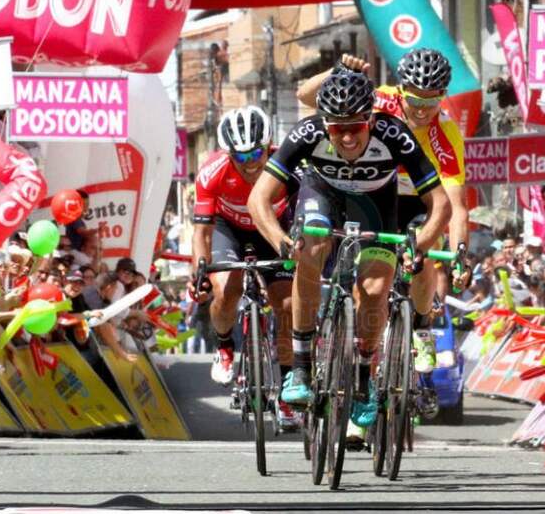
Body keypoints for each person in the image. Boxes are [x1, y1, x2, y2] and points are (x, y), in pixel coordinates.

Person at [249, 68, 451, 442]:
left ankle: (361, 377)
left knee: (374, 291)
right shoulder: (307, 133)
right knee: (310, 249)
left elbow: (440, 204)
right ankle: (303, 367)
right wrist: (279, 240)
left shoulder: (395, 134)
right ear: (323, 123)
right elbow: (258, 198)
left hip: (375, 204)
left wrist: (418, 245)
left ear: (371, 121)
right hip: (322, 194)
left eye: (355, 127)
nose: (344, 136)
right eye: (335, 127)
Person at [297, 50, 469, 376]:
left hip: (418, 200)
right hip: (371, 191)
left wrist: (461, 253)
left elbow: (456, 208)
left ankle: (421, 328)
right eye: (414, 102)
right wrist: (336, 71)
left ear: (442, 98)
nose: (420, 112)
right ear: (400, 90)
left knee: (424, 258)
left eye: (430, 104)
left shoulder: (446, 134)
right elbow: (307, 97)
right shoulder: (380, 100)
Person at [189, 105, 299, 429]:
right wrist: (200, 272)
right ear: (229, 153)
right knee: (226, 288)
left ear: (269, 145)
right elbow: (202, 232)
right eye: (241, 157)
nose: (250, 163)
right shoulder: (212, 172)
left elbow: (304, 214)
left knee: (288, 305)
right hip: (228, 228)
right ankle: (224, 345)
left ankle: (289, 387)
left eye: (256, 154)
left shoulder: (289, 165)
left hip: (272, 227)